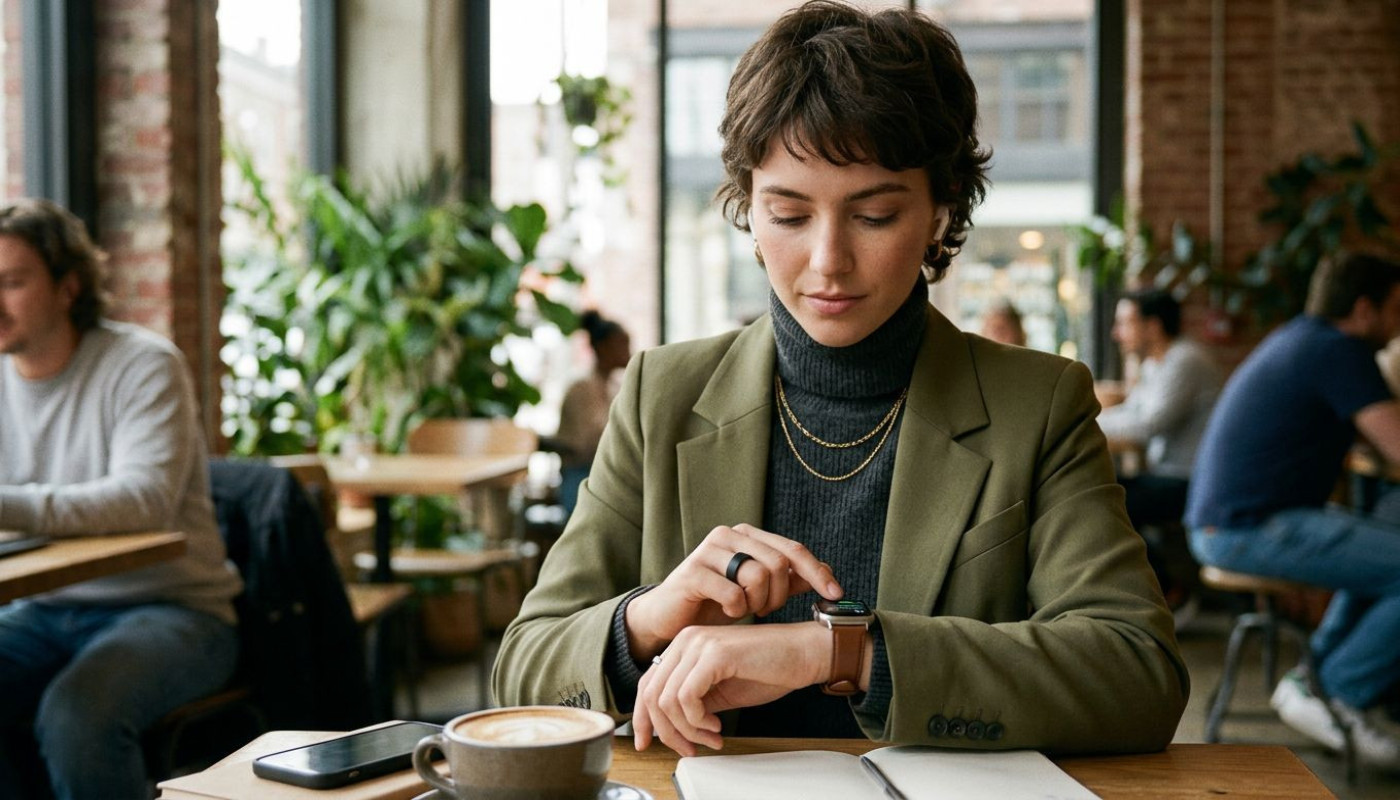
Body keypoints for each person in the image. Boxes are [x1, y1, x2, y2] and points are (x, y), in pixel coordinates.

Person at [495, 0, 1186, 757]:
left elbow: (1139, 673)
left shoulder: (1037, 404)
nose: (827, 261)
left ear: (939, 211)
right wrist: (651, 617)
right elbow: (523, 672)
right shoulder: (664, 394)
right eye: (789, 215)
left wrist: (843, 653)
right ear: (748, 213)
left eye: (876, 216)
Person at [0, 199, 242, 799]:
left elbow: (145, 500)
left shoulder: (141, 364)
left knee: (76, 716)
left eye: (12, 281)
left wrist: (7, 505)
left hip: (175, 608)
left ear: (67, 285)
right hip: (41, 608)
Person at [1185, 251, 1400, 768]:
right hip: (1246, 527)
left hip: (1232, 522)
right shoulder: (1338, 351)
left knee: (1385, 531)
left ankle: (1316, 682)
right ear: (1365, 308)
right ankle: (1340, 693)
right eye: (1398, 308)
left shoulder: (1302, 339)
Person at [1097, 288, 1221, 616]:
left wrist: (1084, 425)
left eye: (1125, 322)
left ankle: (1171, 592)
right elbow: (1132, 413)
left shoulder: (1185, 361)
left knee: (1105, 501)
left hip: (1191, 482)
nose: (1116, 332)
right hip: (1169, 475)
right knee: (1102, 494)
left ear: (1152, 326)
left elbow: (1148, 424)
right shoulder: (1158, 363)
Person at [555, 310, 632, 516]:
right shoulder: (580, 388)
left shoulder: (616, 386)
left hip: (607, 475)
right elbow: (588, 443)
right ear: (603, 347)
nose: (629, 350)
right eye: (622, 343)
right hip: (582, 476)